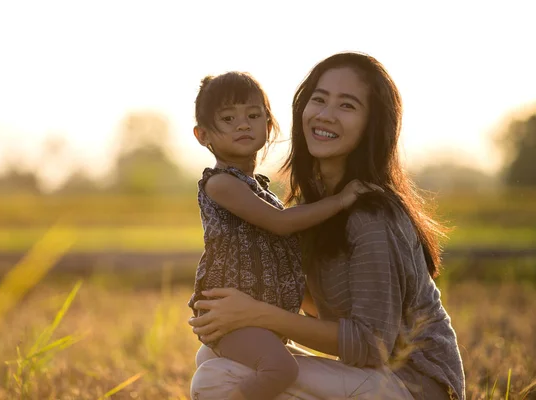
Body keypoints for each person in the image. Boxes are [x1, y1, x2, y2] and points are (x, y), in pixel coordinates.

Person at [189, 53, 466, 400]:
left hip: (417, 386)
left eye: (347, 106)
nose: (325, 114)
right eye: (318, 99)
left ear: (372, 124)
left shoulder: (371, 215)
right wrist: (238, 305)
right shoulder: (312, 208)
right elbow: (320, 309)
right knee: (214, 354)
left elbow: (371, 346)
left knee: (217, 378)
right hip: (371, 378)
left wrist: (259, 313)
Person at [188, 71, 379, 400]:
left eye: (252, 115)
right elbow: (281, 224)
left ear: (269, 124)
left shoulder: (260, 189)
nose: (243, 125)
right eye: (228, 119)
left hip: (258, 314)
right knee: (281, 370)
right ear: (203, 134)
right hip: (230, 314)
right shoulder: (221, 184)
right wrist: (340, 200)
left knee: (268, 369)